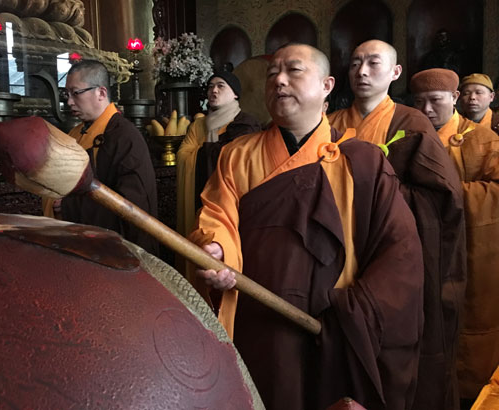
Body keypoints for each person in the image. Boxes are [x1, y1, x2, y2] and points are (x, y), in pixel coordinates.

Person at [189, 43, 424, 410]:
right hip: (258, 319)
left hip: (332, 329)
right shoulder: (237, 154)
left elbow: (400, 253)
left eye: (294, 71)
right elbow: (217, 216)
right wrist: (218, 251)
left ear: (327, 85)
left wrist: (356, 311)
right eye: (271, 74)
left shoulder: (360, 162)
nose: (279, 80)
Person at [328, 39, 466, 410]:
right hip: (339, 253)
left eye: (373, 63)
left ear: (395, 72)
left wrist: (384, 196)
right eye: (355, 63)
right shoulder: (331, 123)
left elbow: (443, 196)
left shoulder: (411, 122)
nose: (361, 71)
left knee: (396, 352)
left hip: (395, 257)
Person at [411, 68, 499, 404]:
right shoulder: (408, 135)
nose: (427, 110)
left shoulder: (481, 140)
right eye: (419, 102)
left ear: (454, 99)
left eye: (435, 101)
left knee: (468, 336)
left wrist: (447, 196)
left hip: (472, 254)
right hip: (423, 252)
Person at [42, 60, 158, 254]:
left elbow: (133, 206)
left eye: (76, 93)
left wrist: (69, 206)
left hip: (116, 251)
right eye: (67, 94)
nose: (69, 101)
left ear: (101, 93)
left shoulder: (124, 136)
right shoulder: (75, 134)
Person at [176, 71, 260, 238]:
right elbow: (183, 154)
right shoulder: (198, 125)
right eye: (210, 87)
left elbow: (236, 160)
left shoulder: (245, 124)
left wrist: (203, 150)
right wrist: (210, 150)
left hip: (231, 201)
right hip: (198, 196)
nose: (214, 91)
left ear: (235, 94)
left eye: (221, 86)